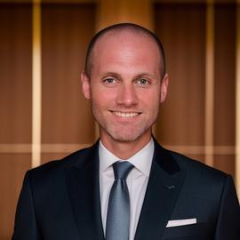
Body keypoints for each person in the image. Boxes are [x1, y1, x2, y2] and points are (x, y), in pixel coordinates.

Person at [12, 23, 240, 240]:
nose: (127, 99)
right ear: (86, 84)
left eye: (142, 81)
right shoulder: (41, 189)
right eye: (111, 80)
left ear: (163, 87)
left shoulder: (213, 192)